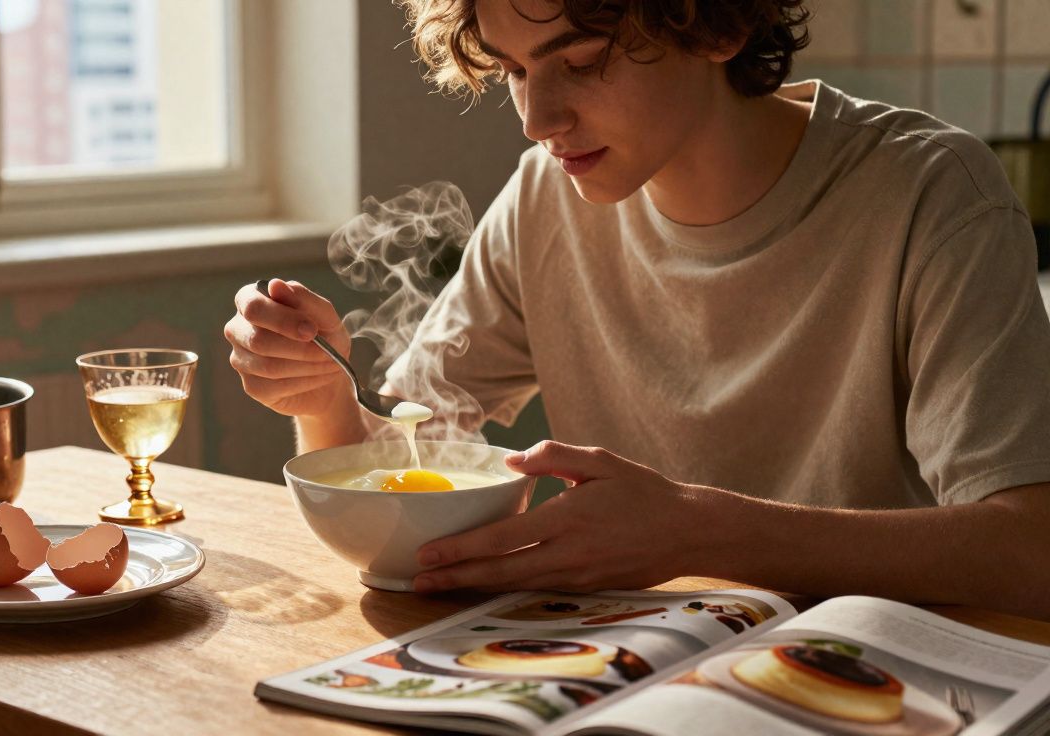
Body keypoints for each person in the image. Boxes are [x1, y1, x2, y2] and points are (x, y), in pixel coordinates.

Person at [224, 0, 1050, 618]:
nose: (537, 120)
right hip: (628, 670)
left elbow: (1029, 550)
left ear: (716, 24)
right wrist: (322, 402)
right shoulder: (547, 197)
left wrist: (698, 531)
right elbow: (409, 455)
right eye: (514, 70)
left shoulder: (932, 194)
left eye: (579, 60)